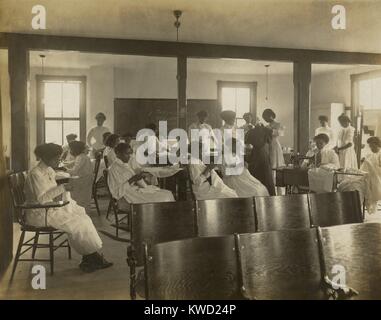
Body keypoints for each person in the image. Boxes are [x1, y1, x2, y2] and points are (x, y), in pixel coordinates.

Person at [24, 143, 112, 273]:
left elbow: (52, 183)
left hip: (49, 208)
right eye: (56, 158)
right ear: (46, 157)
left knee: (83, 217)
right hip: (40, 212)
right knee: (78, 222)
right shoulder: (35, 174)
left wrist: (63, 179)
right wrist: (62, 188)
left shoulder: (48, 169)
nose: (58, 161)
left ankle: (90, 257)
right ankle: (91, 258)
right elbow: (42, 200)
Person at [107, 143, 175, 204]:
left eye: (130, 154)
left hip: (134, 191)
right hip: (127, 197)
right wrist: (132, 180)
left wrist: (139, 178)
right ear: (118, 154)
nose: (129, 156)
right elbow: (116, 193)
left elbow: (132, 180)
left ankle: (159, 216)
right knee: (165, 197)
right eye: (126, 154)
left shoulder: (124, 165)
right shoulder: (114, 169)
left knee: (168, 193)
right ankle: (159, 216)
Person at [245, 119, 275, 195]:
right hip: (264, 156)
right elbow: (270, 146)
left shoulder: (251, 133)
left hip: (255, 157)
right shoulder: (266, 132)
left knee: (255, 179)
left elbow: (247, 147)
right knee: (266, 179)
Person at [65, 141, 93, 211]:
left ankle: (69, 207)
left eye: (70, 149)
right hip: (86, 180)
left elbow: (74, 172)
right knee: (66, 182)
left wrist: (64, 169)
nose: (70, 151)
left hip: (83, 181)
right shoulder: (82, 156)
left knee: (64, 184)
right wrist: (65, 166)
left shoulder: (81, 158)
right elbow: (73, 163)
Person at [360, 136, 381, 214]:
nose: (371, 148)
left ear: (377, 144)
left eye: (372, 146)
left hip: (378, 175)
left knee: (367, 164)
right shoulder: (370, 155)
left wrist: (369, 165)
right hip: (369, 174)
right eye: (370, 146)